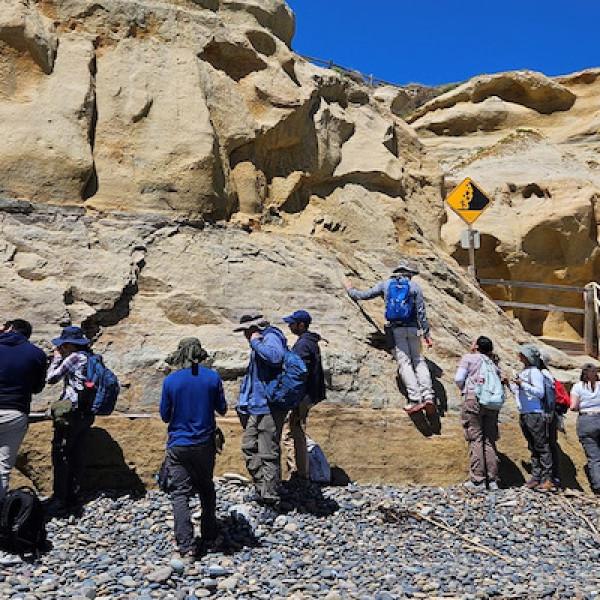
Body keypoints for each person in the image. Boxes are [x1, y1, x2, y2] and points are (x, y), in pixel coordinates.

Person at [160, 338, 227, 558]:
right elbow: (223, 409)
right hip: (204, 443)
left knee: (180, 493)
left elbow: (165, 415)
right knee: (206, 488)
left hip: (178, 445)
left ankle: (186, 545)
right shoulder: (212, 377)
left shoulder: (171, 381)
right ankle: (209, 535)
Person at [344, 260, 434, 413]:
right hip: (413, 329)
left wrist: (350, 290)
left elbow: (364, 295)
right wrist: (427, 334)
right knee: (418, 360)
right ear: (409, 274)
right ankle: (428, 396)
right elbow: (421, 313)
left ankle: (414, 399)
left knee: (404, 363)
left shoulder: (385, 285)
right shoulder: (414, 287)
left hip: (396, 329)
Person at [235, 314, 287, 505]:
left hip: (269, 406)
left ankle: (271, 495)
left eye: (246, 331)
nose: (245, 335)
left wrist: (256, 341)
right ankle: (262, 487)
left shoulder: (271, 337)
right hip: (256, 405)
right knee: (249, 446)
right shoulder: (261, 342)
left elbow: (276, 357)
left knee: (268, 452)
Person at [45, 326, 95, 515]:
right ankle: (74, 495)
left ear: (68, 345)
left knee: (61, 454)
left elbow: (51, 378)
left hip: (71, 413)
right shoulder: (91, 357)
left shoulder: (74, 358)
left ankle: (60, 499)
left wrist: (56, 359)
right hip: (86, 412)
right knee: (77, 454)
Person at [0, 319, 47, 501]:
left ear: (10, 328)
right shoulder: (37, 354)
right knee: (3, 468)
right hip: (15, 413)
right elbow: (37, 388)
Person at [281, 310, 326, 481]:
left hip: (302, 397)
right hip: (309, 396)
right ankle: (301, 472)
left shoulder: (303, 345)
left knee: (292, 432)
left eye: (292, 323)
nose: (289, 326)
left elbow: (298, 373)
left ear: (301, 325)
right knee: (295, 430)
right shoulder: (309, 342)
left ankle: (298, 473)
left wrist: (292, 397)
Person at [455, 336, 502, 491]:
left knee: (475, 439)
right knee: (489, 440)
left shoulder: (469, 358)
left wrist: (464, 390)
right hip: (492, 404)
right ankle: (493, 480)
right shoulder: (493, 364)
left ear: (476, 346)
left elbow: (459, 378)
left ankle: (478, 480)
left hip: (473, 399)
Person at [511, 344, 555, 492]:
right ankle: (536, 477)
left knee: (541, 446)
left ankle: (547, 478)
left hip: (535, 413)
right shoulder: (524, 372)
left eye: (523, 354)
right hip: (525, 412)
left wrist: (522, 384)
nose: (520, 356)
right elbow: (520, 392)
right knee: (533, 446)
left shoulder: (535, 372)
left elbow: (539, 392)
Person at [570, 363, 600, 496]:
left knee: (594, 458)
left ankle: (598, 486)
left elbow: (573, 406)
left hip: (586, 421)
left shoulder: (577, 387)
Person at [539, 356, 563, 488]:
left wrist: (547, 413)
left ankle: (548, 478)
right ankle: (555, 478)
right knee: (552, 444)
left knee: (545, 445)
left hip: (547, 414)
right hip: (553, 414)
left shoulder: (543, 375)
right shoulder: (549, 374)